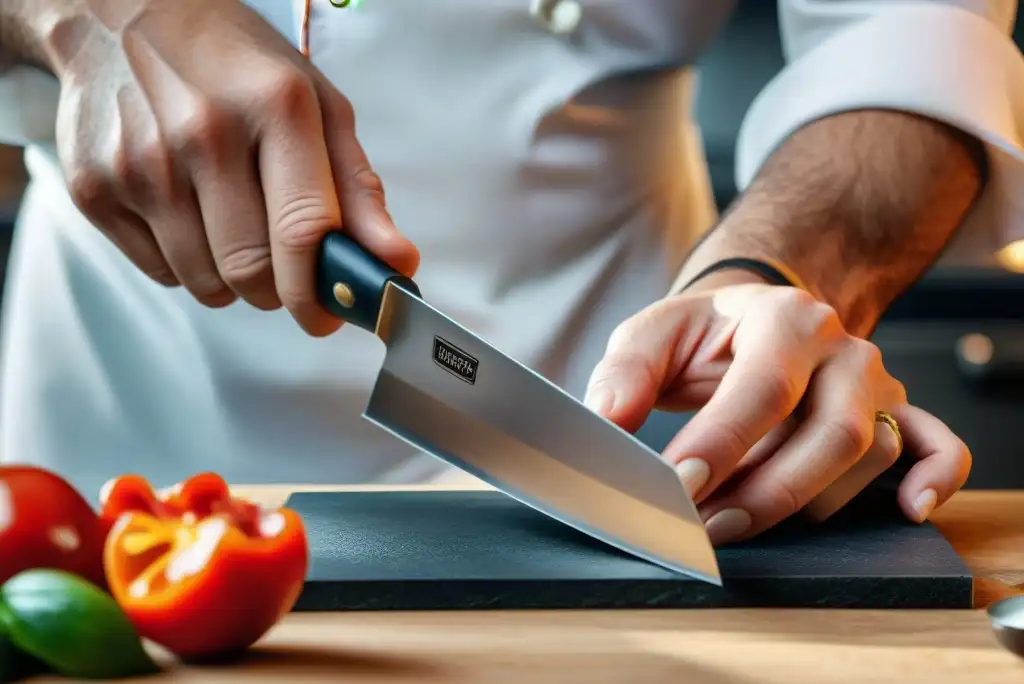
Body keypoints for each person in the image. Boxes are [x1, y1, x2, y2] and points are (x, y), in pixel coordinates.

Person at [0, 0, 1020, 547]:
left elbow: (906, 38)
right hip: (125, 418)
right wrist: (94, 13)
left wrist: (767, 273)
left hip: (617, 401)